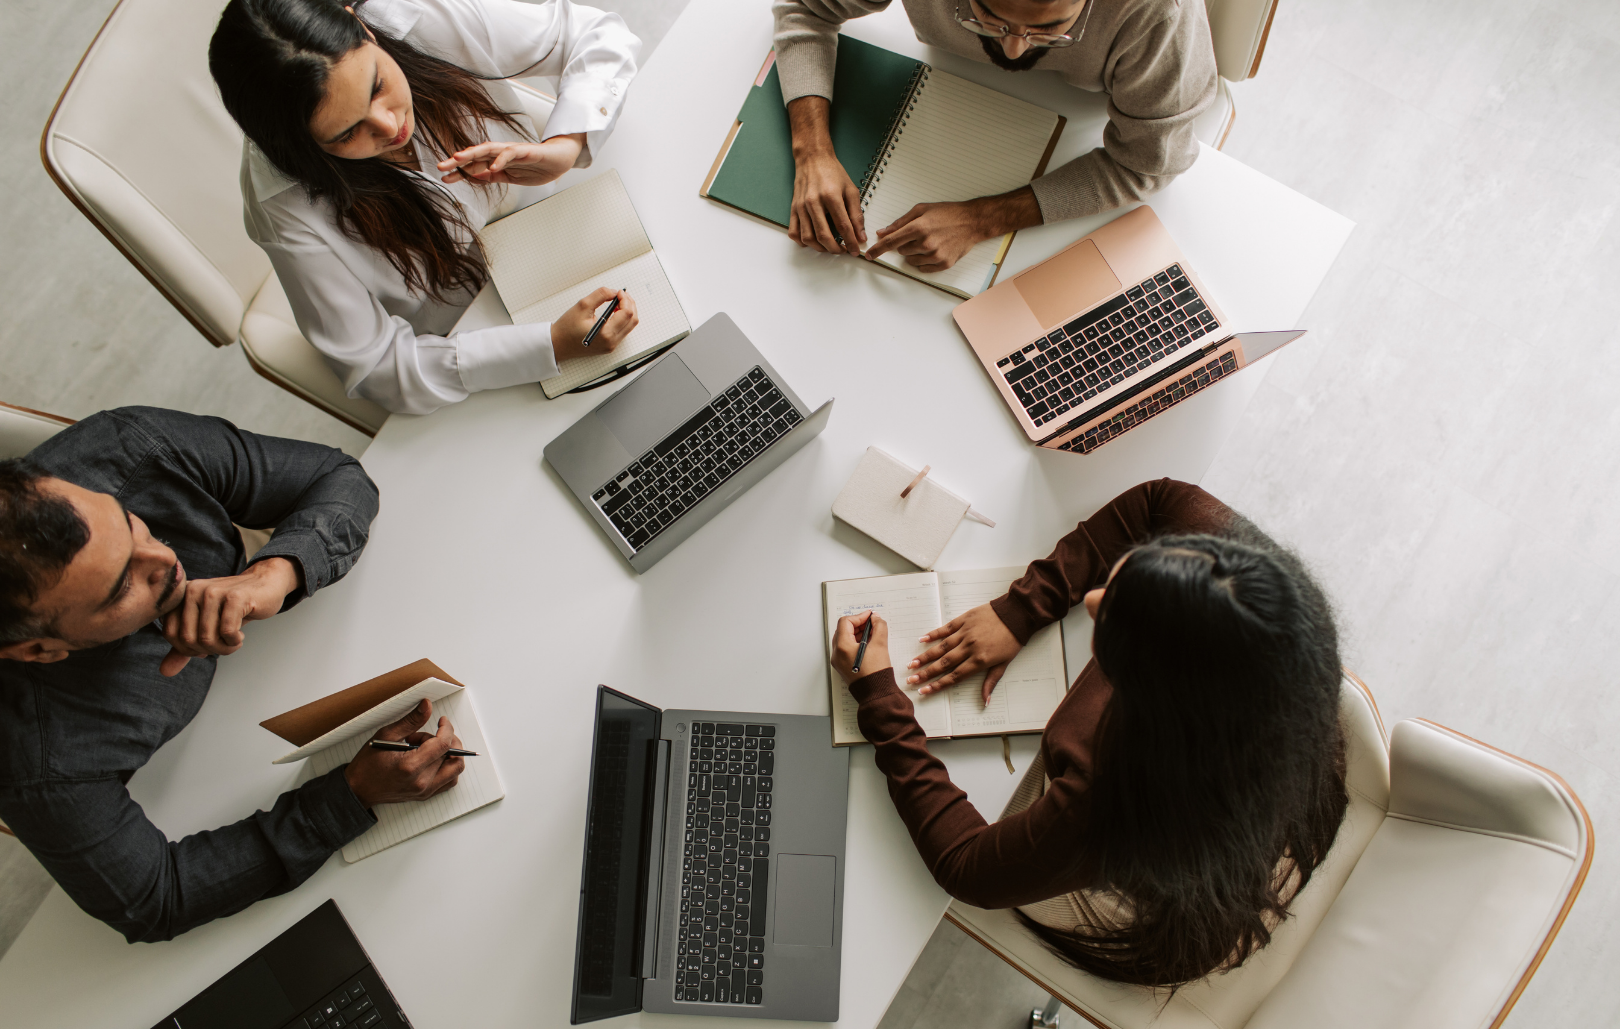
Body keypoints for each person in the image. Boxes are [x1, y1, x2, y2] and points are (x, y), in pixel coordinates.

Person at [828, 479, 1347, 986]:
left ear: (1152, 700)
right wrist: (1023, 608)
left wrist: (877, 697)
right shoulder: (1240, 586)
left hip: (1169, 871)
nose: (1094, 599)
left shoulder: (1113, 796)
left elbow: (966, 868)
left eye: (1114, 621)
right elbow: (1159, 500)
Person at [0, 408, 465, 943]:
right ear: (39, 649)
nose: (167, 558)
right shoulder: (34, 761)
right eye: (119, 587)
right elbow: (158, 898)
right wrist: (351, 793)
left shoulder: (128, 450)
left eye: (131, 524)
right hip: (193, 779)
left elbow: (338, 477)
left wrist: (276, 572)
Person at [210, 0, 643, 416]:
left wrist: (566, 146)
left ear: (361, 28)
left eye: (377, 86)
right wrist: (549, 345)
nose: (388, 124)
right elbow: (377, 366)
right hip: (478, 327)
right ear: (302, 147)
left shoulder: (410, 17)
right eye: (346, 133)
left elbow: (594, 33)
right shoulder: (282, 206)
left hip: (569, 225)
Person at [773, 0, 1218, 272]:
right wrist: (811, 150)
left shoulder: (1161, 13)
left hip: (1077, 123)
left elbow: (1146, 163)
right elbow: (805, 7)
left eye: (1050, 29)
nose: (1014, 50)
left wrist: (983, 219)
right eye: (990, 19)